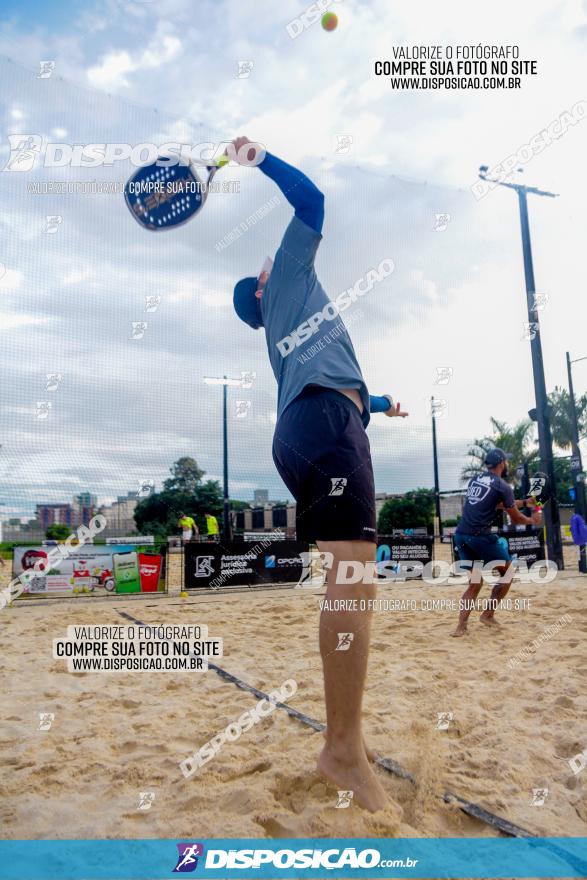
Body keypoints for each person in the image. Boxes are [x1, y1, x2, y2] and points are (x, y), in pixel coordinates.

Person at [230, 137, 407, 812]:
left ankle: (344, 742)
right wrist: (259, 158)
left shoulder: (293, 319)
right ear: (264, 287)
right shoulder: (292, 279)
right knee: (353, 578)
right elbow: (312, 200)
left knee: (353, 576)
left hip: (322, 422)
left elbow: (338, 374)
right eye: (263, 265)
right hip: (323, 423)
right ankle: (340, 748)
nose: (270, 256)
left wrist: (382, 403)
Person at [452, 448, 542, 637]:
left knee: (475, 583)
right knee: (508, 572)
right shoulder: (502, 486)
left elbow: (498, 504)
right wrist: (531, 521)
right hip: (479, 536)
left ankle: (461, 627)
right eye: (506, 462)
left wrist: (526, 503)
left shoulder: (475, 480)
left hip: (461, 535)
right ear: (501, 463)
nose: (507, 464)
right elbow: (516, 518)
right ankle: (487, 614)